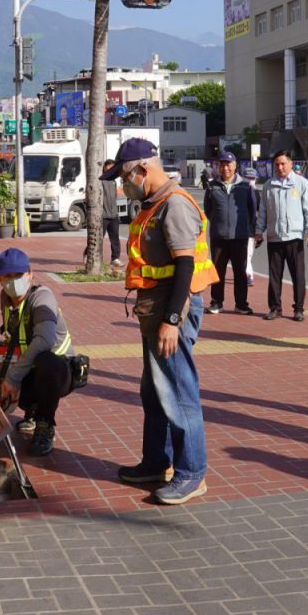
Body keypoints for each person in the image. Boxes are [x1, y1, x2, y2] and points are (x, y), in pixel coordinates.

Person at [100, 138, 218, 505]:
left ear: (143, 169)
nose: (124, 185)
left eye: (125, 177)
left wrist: (171, 320)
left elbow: (185, 266)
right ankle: (156, 461)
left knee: (178, 393)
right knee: (154, 391)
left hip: (171, 312)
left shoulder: (175, 205)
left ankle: (191, 473)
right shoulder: (153, 204)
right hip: (155, 310)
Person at [0, 248, 76, 456]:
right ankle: (28, 410)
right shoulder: (5, 298)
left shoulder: (42, 297)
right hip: (27, 365)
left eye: (19, 275)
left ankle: (45, 424)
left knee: (48, 363)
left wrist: (12, 377)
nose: (14, 281)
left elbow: (45, 340)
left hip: (59, 370)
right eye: (8, 276)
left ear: (30, 273)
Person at [255, 150, 308, 321]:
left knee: (298, 275)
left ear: (290, 164)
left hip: (294, 237)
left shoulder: (301, 183)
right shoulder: (269, 185)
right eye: (277, 164)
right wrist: (259, 231)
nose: (280, 167)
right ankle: (275, 308)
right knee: (274, 276)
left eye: (283, 164)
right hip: (275, 236)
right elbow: (263, 211)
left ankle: (299, 309)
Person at [203, 151, 256, 315]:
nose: (225, 168)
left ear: (235, 166)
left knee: (240, 271)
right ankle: (216, 303)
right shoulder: (212, 186)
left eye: (228, 164)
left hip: (239, 236)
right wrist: (218, 223)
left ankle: (241, 304)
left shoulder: (245, 186)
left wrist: (251, 231)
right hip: (218, 237)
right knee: (218, 271)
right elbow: (208, 210)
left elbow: (252, 210)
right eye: (222, 165)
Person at [101, 159, 122, 266]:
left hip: (113, 215)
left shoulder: (114, 181)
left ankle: (115, 258)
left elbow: (114, 197)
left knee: (115, 238)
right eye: (109, 166)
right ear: (104, 167)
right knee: (98, 238)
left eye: (112, 167)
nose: (110, 169)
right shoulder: (100, 180)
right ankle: (89, 254)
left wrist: (115, 213)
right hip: (103, 215)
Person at [242, 167, 260, 287]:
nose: (250, 180)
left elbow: (260, 212)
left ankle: (248, 274)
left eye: (252, 178)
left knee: (248, 254)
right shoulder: (237, 191)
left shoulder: (256, 193)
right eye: (248, 178)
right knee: (243, 255)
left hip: (250, 229)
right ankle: (247, 274)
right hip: (238, 229)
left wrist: (259, 231)